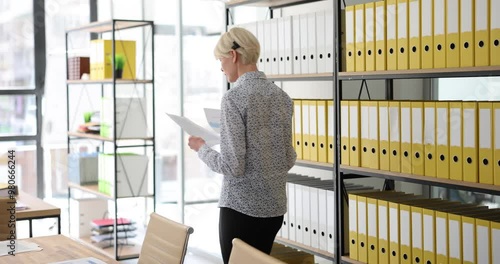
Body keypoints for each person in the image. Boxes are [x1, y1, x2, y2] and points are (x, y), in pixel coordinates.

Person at [187, 27, 297, 264]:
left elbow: (233, 165)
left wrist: (202, 149)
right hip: (274, 209)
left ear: (234, 56)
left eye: (221, 59)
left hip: (241, 209)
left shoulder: (233, 98)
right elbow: (288, 158)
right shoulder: (282, 97)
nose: (221, 67)